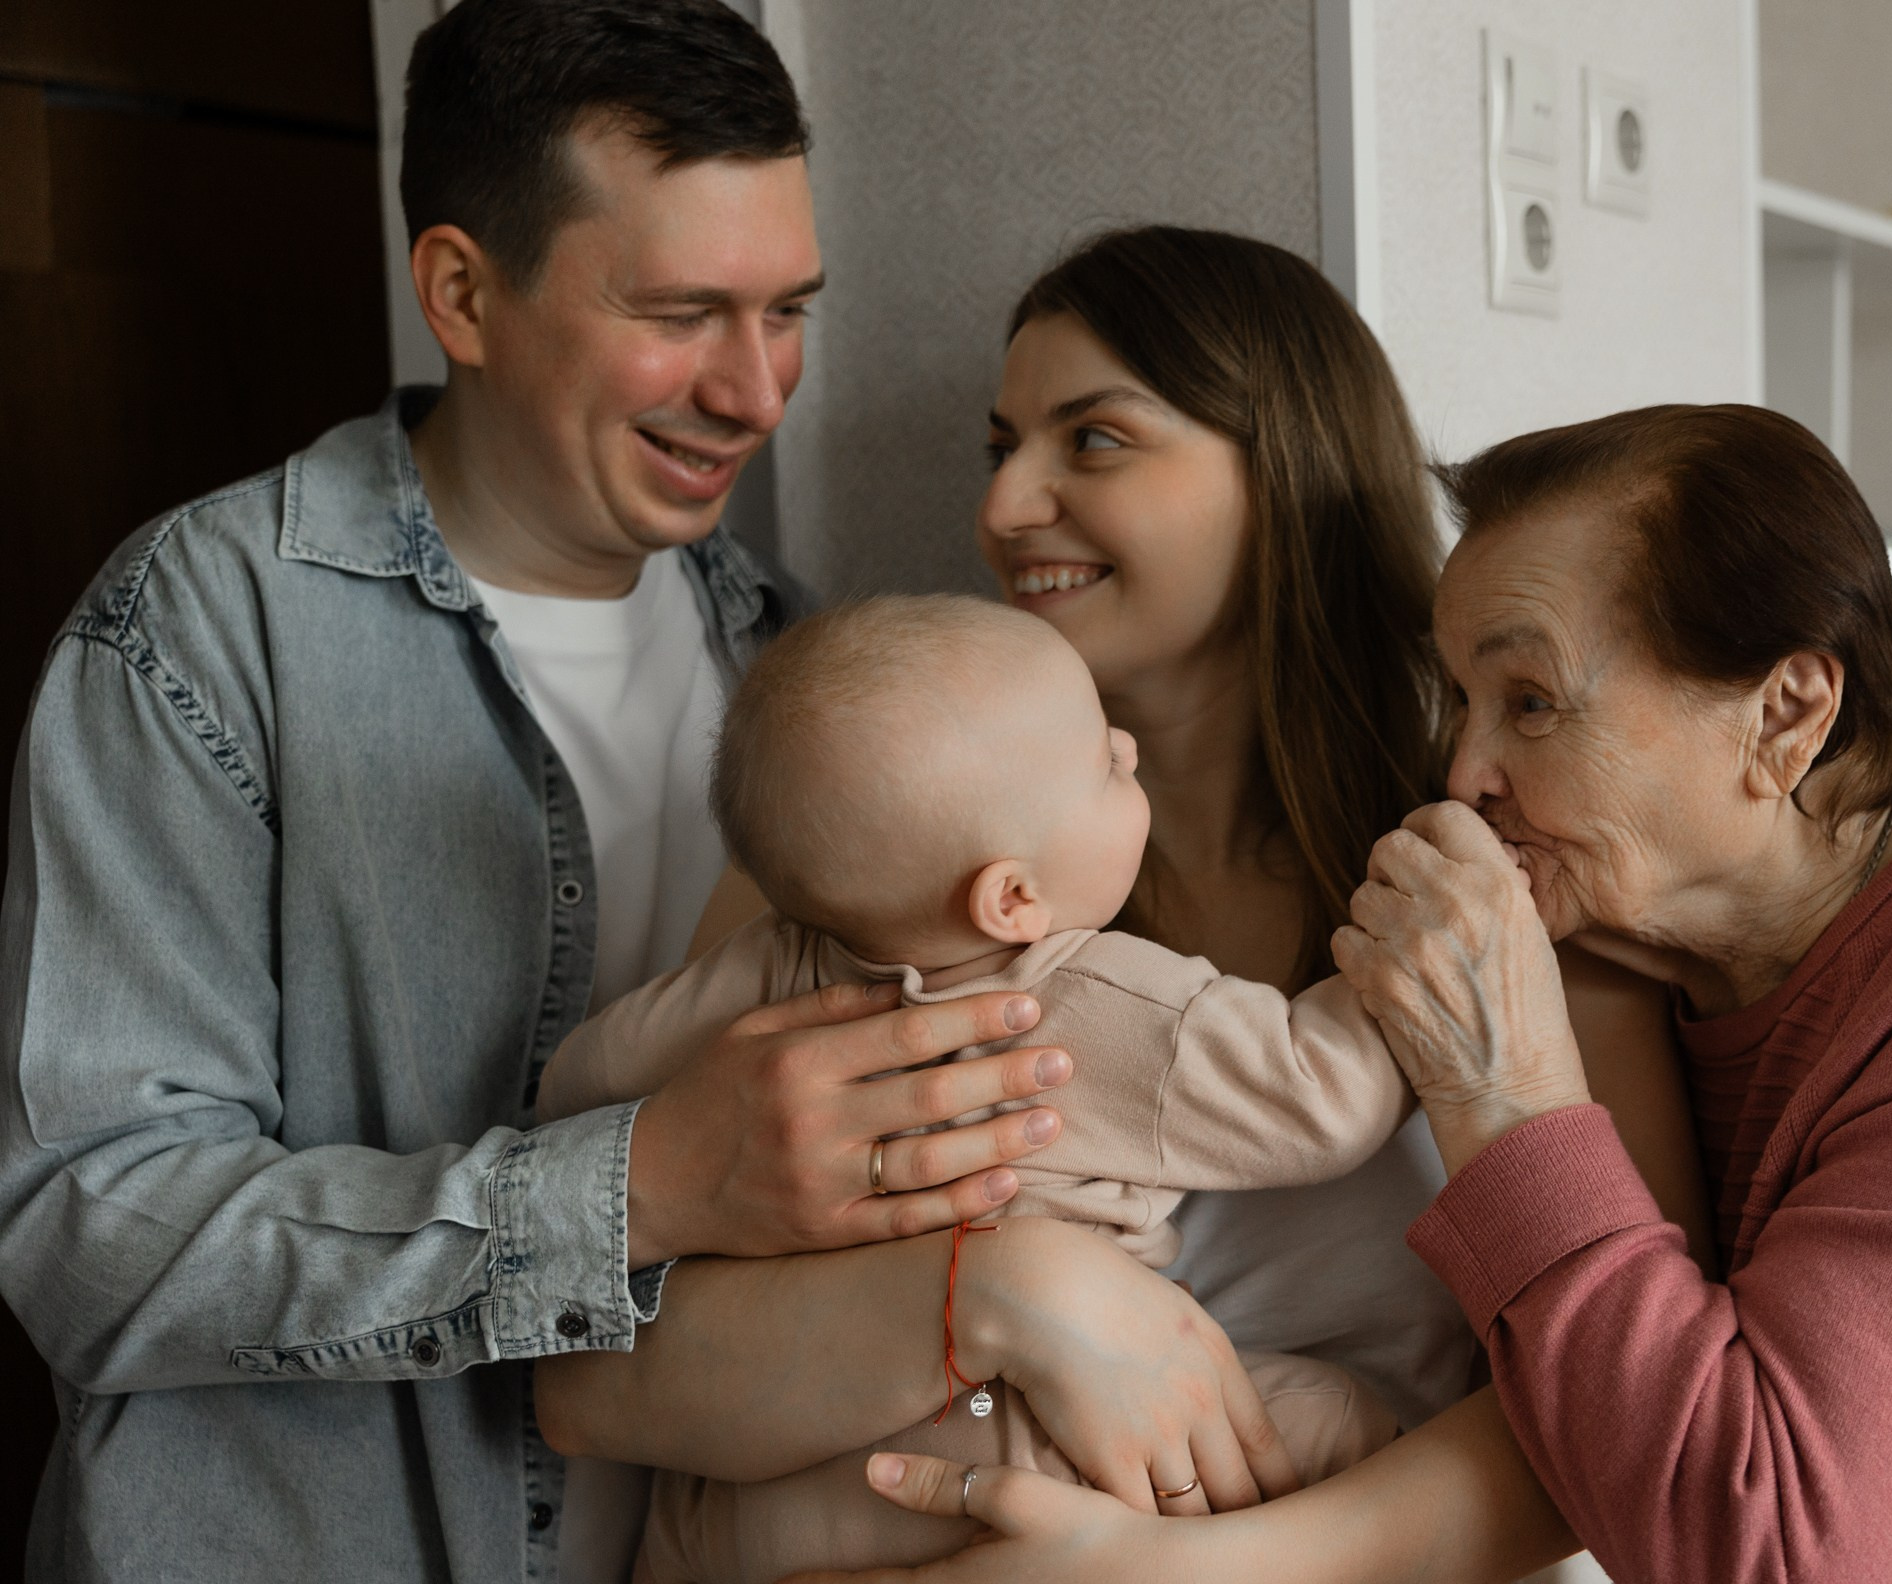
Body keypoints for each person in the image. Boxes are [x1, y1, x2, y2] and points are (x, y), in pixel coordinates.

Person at [827, 405, 1892, 1584]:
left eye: (1531, 700)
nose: (1463, 770)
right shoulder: (1653, 940)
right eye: (1461, 699)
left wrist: (1504, 1093)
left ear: (1784, 716)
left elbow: (1779, 1551)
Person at [0, 0, 1084, 1579]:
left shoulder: (803, 666)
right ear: (461, 289)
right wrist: (637, 1185)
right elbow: (95, 1236)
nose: (757, 389)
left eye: (789, 308)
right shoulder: (199, 630)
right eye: (679, 310)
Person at [533, 230, 1710, 1563]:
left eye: (1093, 440)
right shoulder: (859, 872)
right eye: (1002, 447)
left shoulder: (1508, 882)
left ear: (1288, 472)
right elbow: (593, 1380)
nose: (1006, 505)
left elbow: (1624, 1425)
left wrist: (1191, 1570)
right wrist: (1009, 1294)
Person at [545, 594, 1424, 1579]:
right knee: (1351, 1424)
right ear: (1013, 899)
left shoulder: (764, 970)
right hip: (1010, 1443)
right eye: (1105, 762)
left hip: (753, 1493)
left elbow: (587, 1081)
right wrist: (1414, 947)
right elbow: (1323, 1097)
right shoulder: (1095, 998)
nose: (1128, 750)